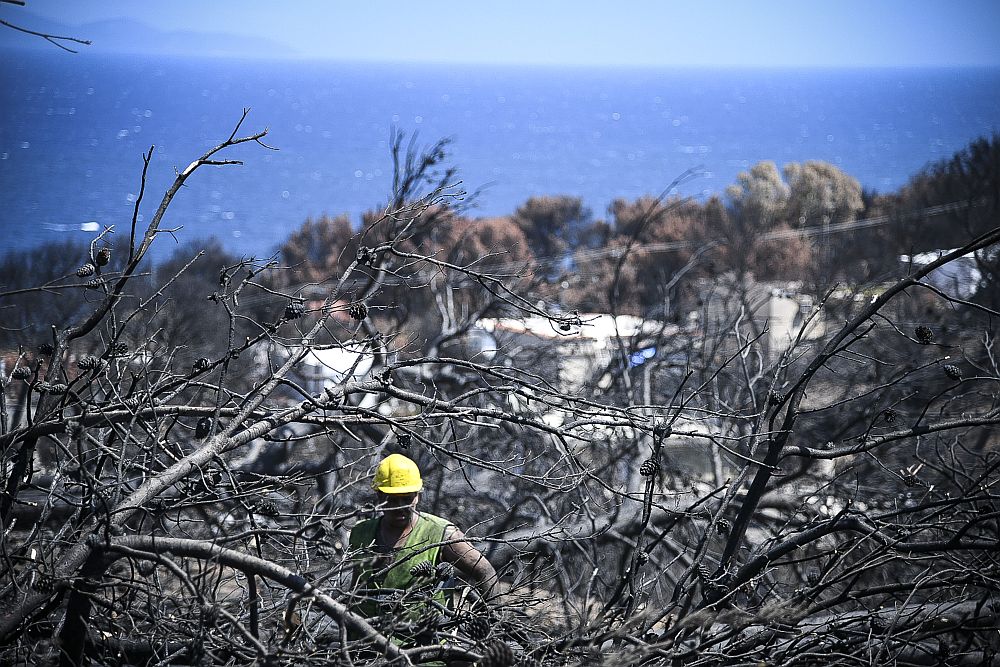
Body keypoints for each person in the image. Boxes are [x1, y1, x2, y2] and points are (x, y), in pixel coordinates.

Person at [348, 453, 499, 628]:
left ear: (417, 496)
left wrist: (492, 623)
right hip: (363, 643)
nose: (401, 507)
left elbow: (486, 572)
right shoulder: (361, 532)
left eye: (407, 498)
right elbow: (356, 589)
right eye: (393, 500)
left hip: (422, 646)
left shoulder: (441, 534)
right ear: (379, 496)